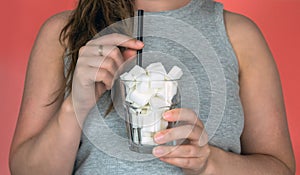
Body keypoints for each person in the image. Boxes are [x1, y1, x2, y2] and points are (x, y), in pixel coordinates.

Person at [9, 0, 295, 174]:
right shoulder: (64, 35)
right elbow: (26, 170)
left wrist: (211, 164)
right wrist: (77, 104)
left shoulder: (239, 35)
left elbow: (280, 169)